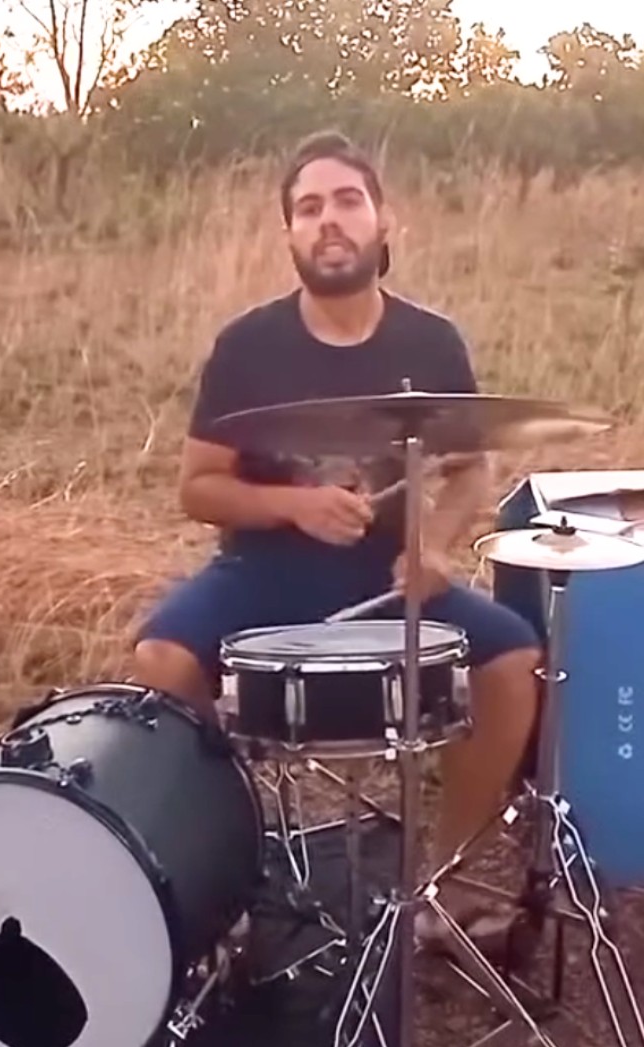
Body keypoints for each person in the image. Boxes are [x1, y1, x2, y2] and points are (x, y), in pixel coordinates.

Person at [129, 130, 543, 958]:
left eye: (347, 201)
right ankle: (220, 875)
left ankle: (444, 890)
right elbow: (198, 488)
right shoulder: (247, 346)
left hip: (384, 577)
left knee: (513, 660)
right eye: (308, 207)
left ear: (384, 220)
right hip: (262, 570)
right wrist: (292, 505)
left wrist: (435, 547)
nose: (329, 220)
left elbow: (471, 468)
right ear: (288, 233)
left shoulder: (430, 341)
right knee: (160, 661)